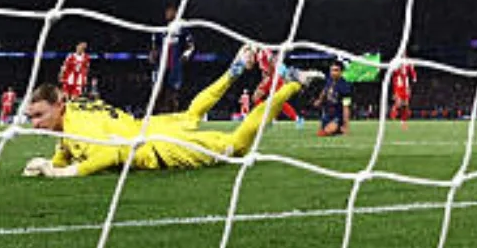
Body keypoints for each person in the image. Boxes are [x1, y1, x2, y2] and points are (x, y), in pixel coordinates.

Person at [22, 46, 321, 178]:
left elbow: (112, 153)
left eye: (39, 116)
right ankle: (235, 70)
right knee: (191, 114)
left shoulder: (78, 126)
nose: (35, 124)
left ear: (59, 105)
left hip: (158, 147)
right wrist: (50, 163)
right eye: (32, 117)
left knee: (237, 145)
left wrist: (63, 172)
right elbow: (67, 146)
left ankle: (294, 84)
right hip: (148, 126)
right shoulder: (73, 111)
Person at [149, 6, 195, 113]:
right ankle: (154, 113)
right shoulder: (161, 28)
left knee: (173, 92)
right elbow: (155, 43)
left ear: (175, 13)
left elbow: (191, 45)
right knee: (157, 89)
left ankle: (173, 113)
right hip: (161, 64)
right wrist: (153, 53)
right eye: (167, 12)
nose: (167, 14)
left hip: (175, 64)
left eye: (170, 11)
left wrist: (186, 55)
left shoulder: (182, 27)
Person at [252, 47, 301, 127]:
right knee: (277, 101)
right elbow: (265, 66)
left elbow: (272, 60)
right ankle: (296, 118)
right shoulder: (258, 55)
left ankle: (269, 118)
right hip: (271, 78)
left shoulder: (265, 51)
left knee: (258, 98)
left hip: (273, 78)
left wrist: (269, 74)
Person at [315, 62, 352, 137]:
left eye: (336, 70)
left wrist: (346, 125)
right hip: (327, 114)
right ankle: (334, 128)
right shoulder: (329, 81)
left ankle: (339, 127)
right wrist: (319, 100)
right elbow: (324, 91)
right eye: (332, 70)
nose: (333, 73)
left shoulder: (345, 87)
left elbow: (346, 107)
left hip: (338, 116)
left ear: (341, 72)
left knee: (326, 132)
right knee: (320, 133)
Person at [390, 56, 416, 129]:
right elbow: (393, 71)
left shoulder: (408, 61)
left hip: (405, 85)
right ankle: (393, 114)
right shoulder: (396, 60)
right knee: (399, 103)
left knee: (405, 105)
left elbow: (411, 69)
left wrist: (414, 76)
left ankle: (403, 122)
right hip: (399, 84)